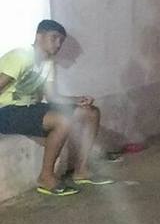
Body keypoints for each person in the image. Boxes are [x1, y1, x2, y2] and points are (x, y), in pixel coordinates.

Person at [0, 20, 113, 196]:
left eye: (61, 40)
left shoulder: (47, 63)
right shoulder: (21, 57)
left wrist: (77, 100)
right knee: (62, 121)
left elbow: (52, 96)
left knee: (91, 113)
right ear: (39, 36)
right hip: (6, 110)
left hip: (30, 107)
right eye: (54, 38)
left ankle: (81, 170)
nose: (58, 44)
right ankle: (46, 177)